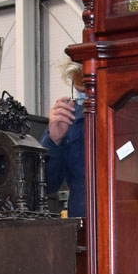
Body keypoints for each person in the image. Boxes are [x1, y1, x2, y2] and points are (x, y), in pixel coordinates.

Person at [40, 63, 87, 218]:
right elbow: (45, 184)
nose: (84, 99)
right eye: (80, 92)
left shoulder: (128, 111)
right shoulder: (68, 117)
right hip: (83, 227)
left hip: (127, 222)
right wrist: (53, 141)